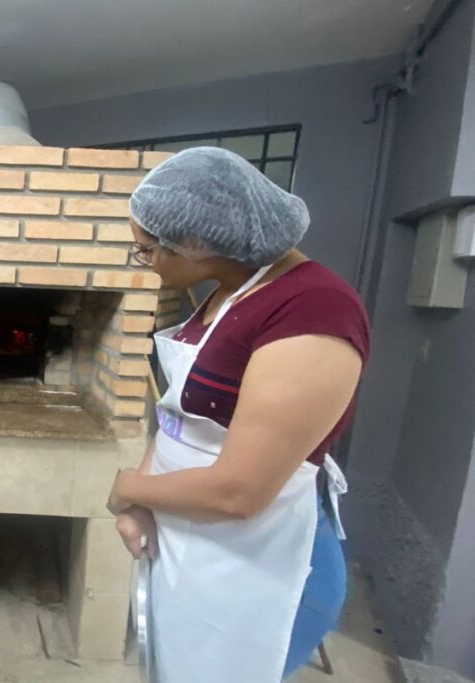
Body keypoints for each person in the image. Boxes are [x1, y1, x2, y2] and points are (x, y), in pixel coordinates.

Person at [107, 147, 369, 682]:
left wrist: (130, 488)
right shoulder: (224, 292)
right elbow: (178, 413)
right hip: (195, 546)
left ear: (198, 244)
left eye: (147, 250)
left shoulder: (314, 310)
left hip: (259, 565)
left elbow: (240, 493)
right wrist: (148, 504)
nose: (145, 263)